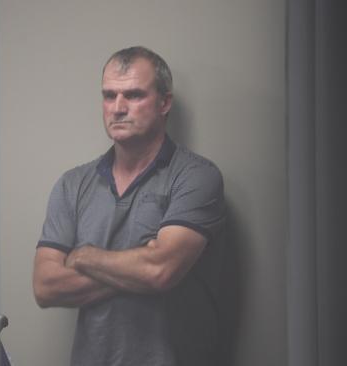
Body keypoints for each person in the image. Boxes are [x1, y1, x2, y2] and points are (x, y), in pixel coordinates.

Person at [32, 46, 226, 366]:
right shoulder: (72, 184)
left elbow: (159, 271)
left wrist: (84, 256)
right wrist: (140, 263)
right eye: (109, 96)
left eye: (134, 95)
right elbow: (45, 286)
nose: (118, 108)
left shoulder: (196, 176)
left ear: (164, 102)